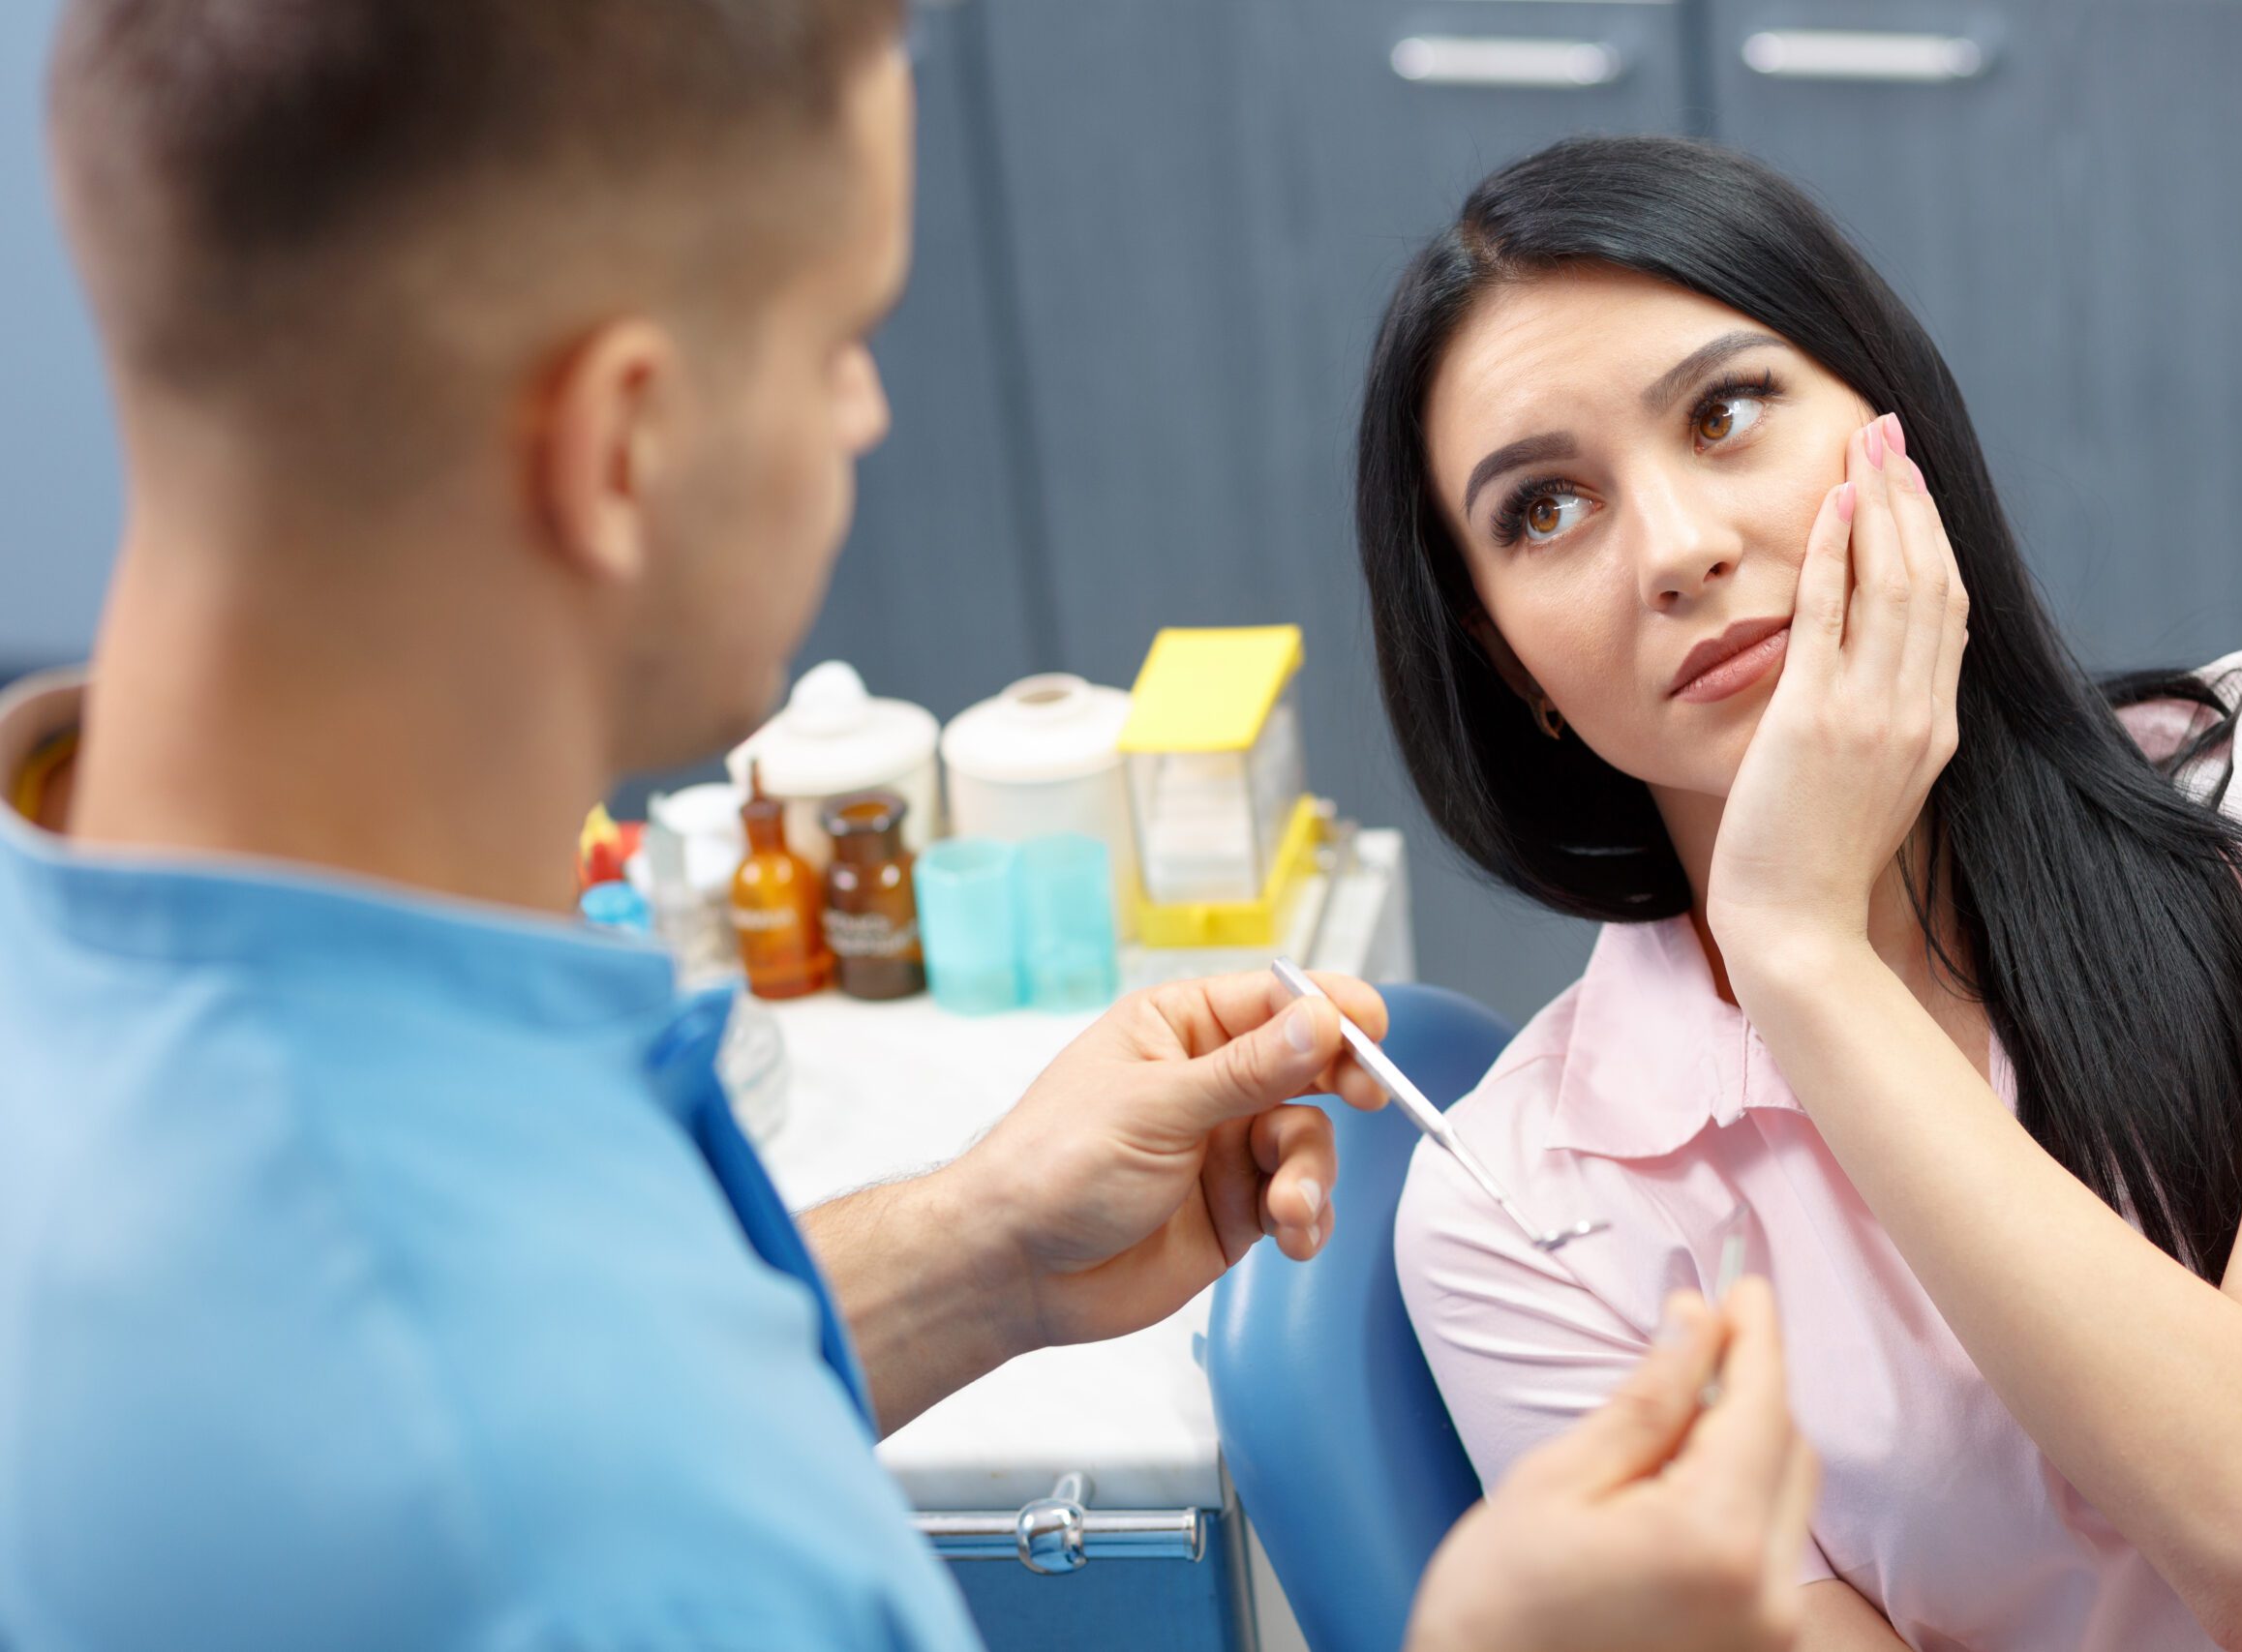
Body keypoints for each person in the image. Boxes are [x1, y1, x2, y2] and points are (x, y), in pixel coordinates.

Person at [0, 7, 1821, 1649]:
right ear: (622, 447)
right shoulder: (618, 1552)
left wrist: (976, 1255)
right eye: (841, 338)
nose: (867, 411)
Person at [1365, 134, 2242, 1651]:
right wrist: (1797, 947)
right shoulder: (1516, 1214)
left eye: (1728, 410)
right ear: (1511, 664)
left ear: (1897, 428)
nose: (1682, 549)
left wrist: (1799, 952)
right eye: (1544, 509)